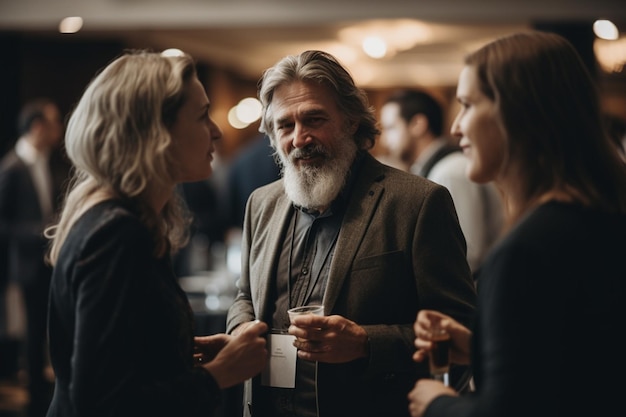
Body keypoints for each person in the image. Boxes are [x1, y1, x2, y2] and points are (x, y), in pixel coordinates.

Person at [226, 50, 477, 417]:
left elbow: (461, 331)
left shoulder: (418, 202)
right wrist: (239, 331)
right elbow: (245, 294)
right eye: (285, 125)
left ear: (352, 121)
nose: (299, 138)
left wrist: (366, 343)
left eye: (314, 119)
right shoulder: (261, 204)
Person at [407, 31, 626, 417]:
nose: (456, 127)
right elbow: (581, 360)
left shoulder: (527, 250)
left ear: (518, 111)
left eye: (468, 105)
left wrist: (437, 404)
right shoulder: (602, 214)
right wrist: (481, 345)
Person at [44, 50, 268, 417]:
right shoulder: (117, 233)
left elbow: (123, 358)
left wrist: (181, 352)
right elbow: (100, 403)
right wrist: (218, 375)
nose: (215, 131)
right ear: (155, 135)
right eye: (201, 116)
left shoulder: (125, 219)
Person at [379, 90, 503, 274]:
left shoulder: (448, 172)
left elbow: (466, 254)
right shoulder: (439, 170)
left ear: (417, 124)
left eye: (391, 128)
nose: (384, 140)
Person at [0, 97, 70, 416]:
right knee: (30, 335)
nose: (59, 129)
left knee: (52, 329)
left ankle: (49, 395)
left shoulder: (48, 162)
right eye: (54, 122)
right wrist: (39, 231)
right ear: (38, 126)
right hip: (27, 265)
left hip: (51, 264)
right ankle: (34, 402)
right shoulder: (12, 167)